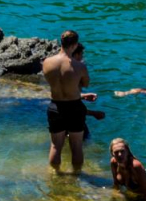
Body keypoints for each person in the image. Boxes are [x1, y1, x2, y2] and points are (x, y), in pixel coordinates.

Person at [42, 29, 103, 173]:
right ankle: (76, 176)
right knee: (76, 146)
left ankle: (55, 174)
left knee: (56, 145)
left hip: (55, 105)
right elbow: (85, 84)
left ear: (61, 42)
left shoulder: (47, 62)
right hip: (74, 107)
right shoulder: (79, 66)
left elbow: (50, 81)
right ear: (74, 45)